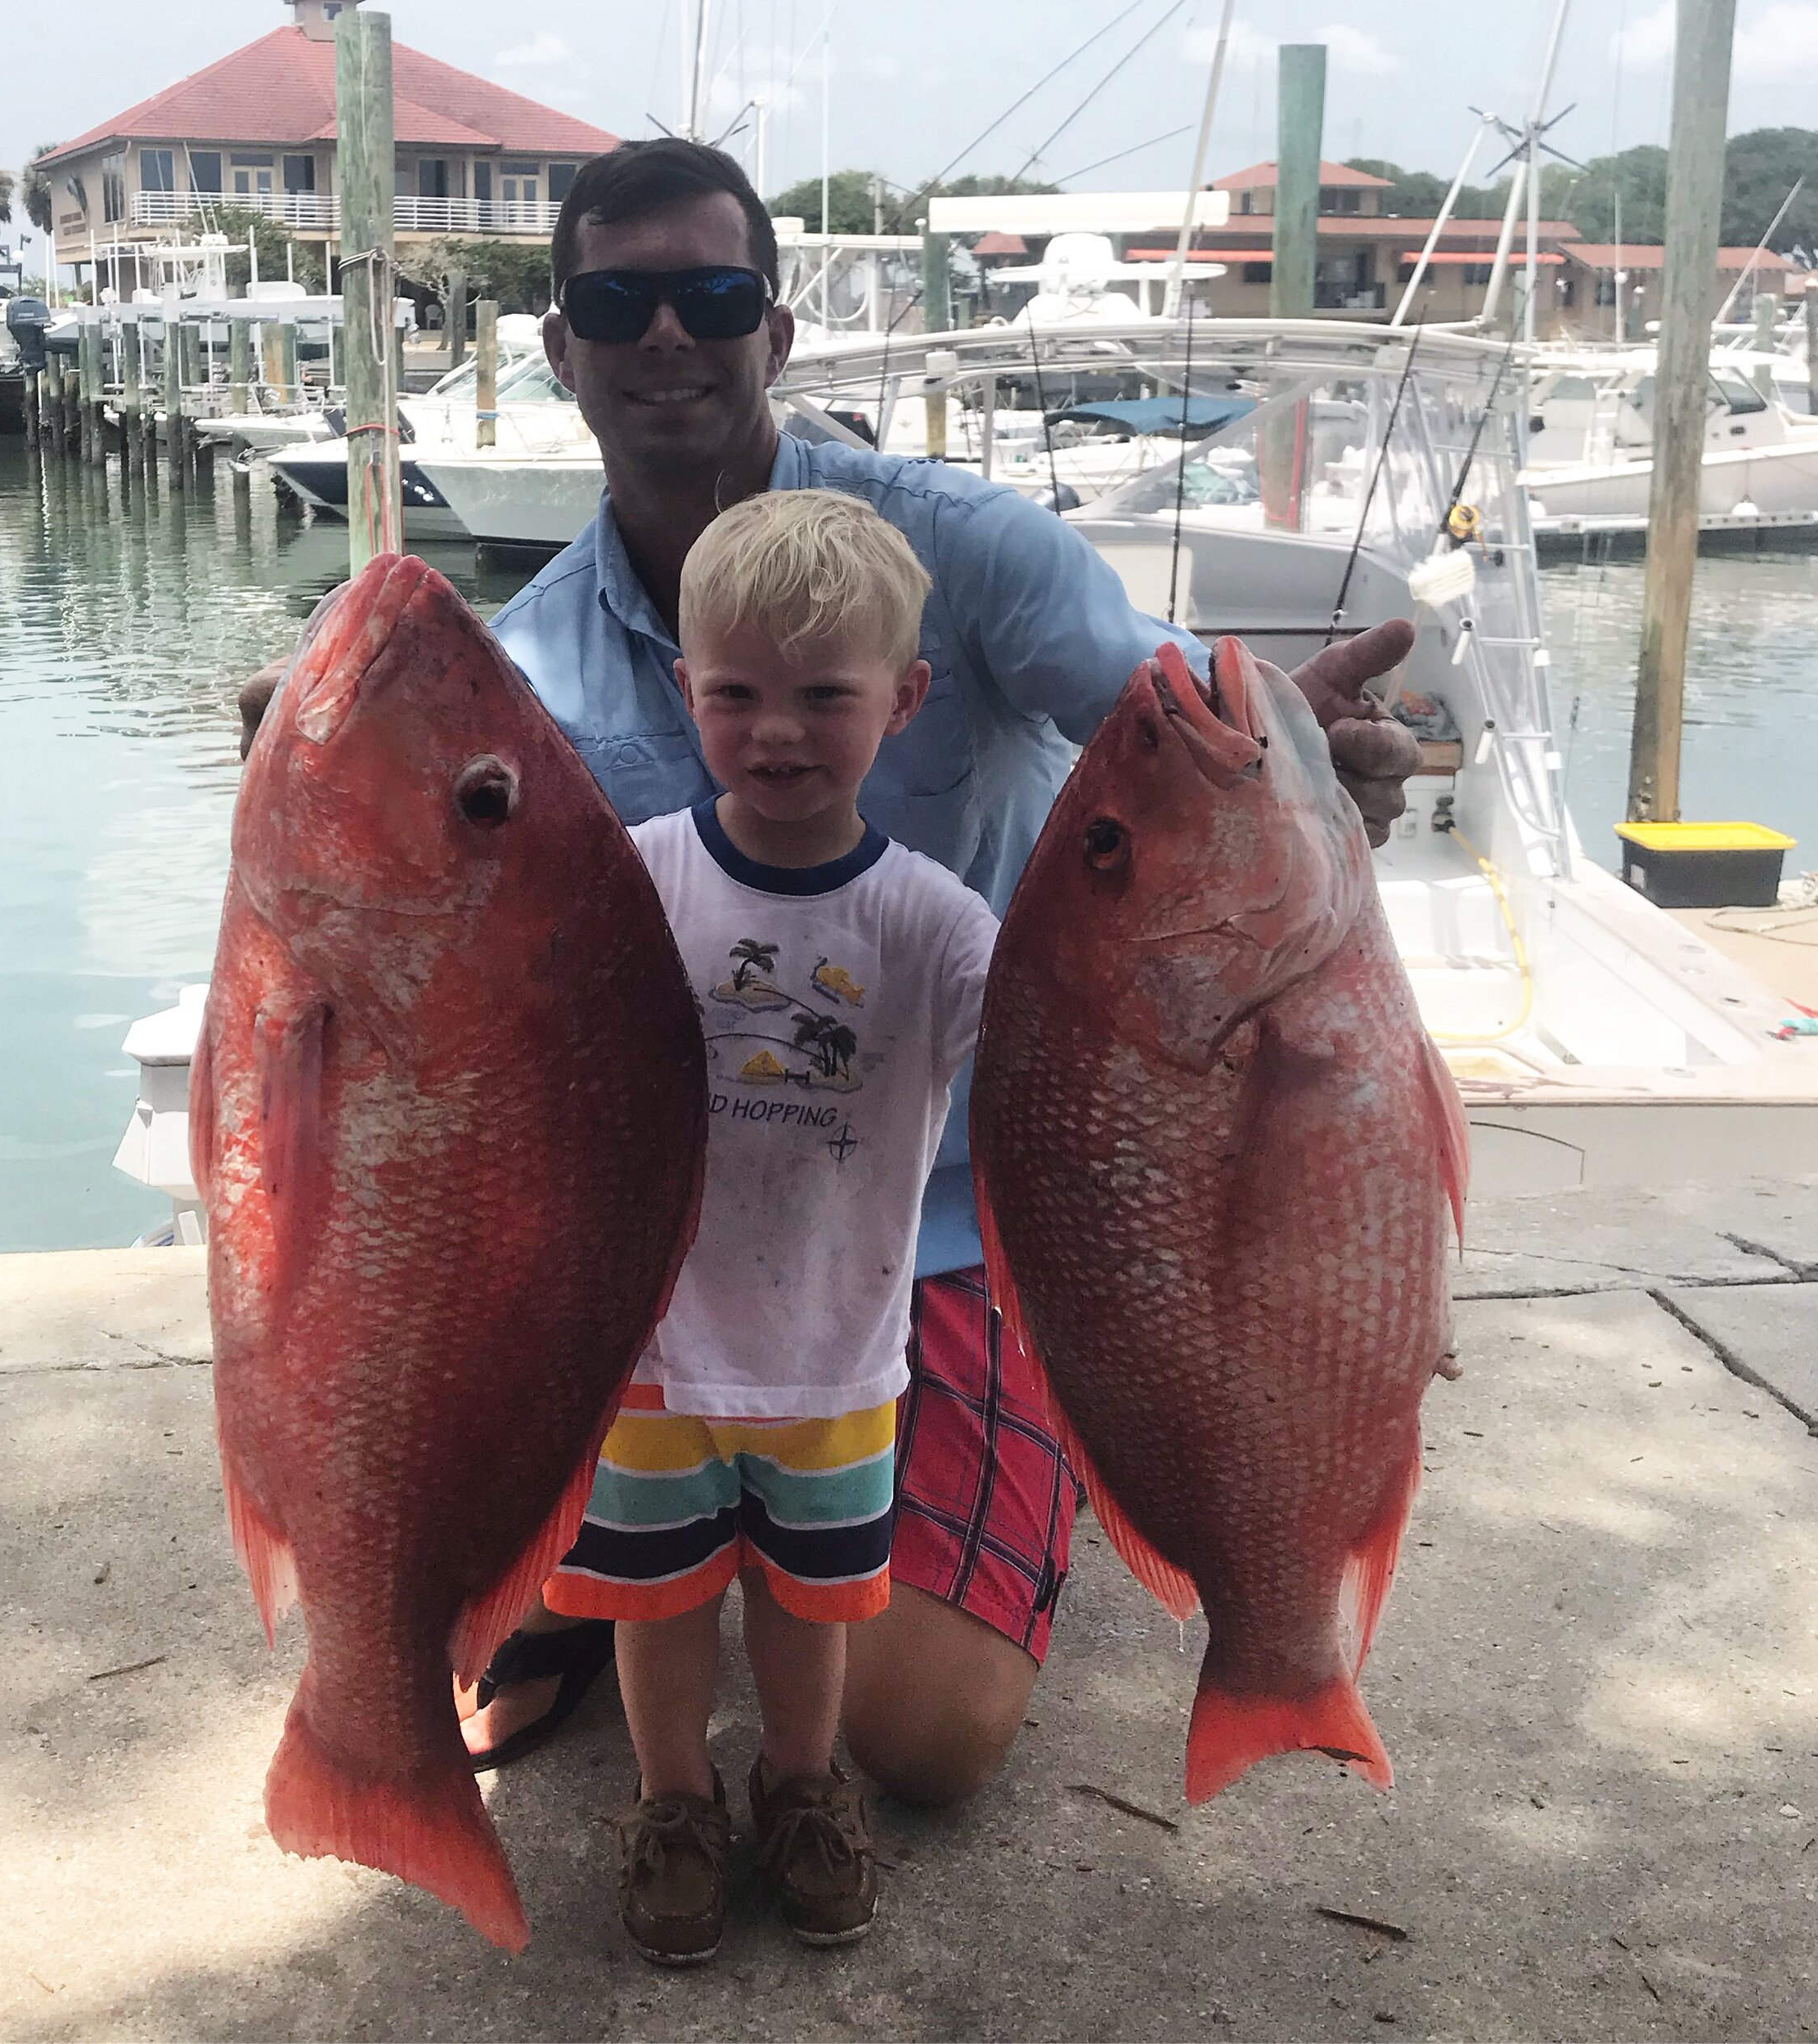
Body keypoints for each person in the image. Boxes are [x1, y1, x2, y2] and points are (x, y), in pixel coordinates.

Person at [240, 137, 1422, 1810]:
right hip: (641, 1247)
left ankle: (973, 1484)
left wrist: (1303, 749)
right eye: (616, 300)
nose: (666, 336)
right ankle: (584, 1569)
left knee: (919, 1737)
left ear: (773, 333)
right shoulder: (521, 672)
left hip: (942, 1226)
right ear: (561, 346)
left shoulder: (961, 551)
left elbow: (1159, 741)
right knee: (471, 1514)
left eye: (711, 296)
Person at [556, 486, 993, 1965]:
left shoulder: (935, 924)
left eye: (827, 696)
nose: (780, 732)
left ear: (908, 701)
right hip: (655, 1351)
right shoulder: (635, 881)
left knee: (816, 1604)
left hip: (839, 1352)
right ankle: (674, 1799)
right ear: (686, 692)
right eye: (736, 694)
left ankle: (800, 1790)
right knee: (658, 1599)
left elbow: (1073, 1048)